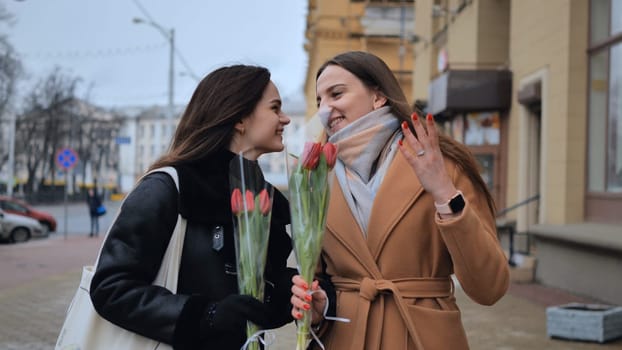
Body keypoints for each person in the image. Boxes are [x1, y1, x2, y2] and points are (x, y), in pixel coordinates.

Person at [290, 51, 510, 349]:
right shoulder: (314, 178)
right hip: (344, 337)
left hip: (422, 336)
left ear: (378, 96)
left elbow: (490, 287)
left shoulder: (442, 164)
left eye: (336, 94)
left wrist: (444, 192)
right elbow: (317, 278)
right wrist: (318, 308)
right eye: (319, 102)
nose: (325, 110)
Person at [90, 65, 295, 349]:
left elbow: (261, 294)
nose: (285, 119)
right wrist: (206, 316)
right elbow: (111, 288)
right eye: (275, 108)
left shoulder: (265, 199)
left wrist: (293, 293)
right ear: (239, 118)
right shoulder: (168, 188)